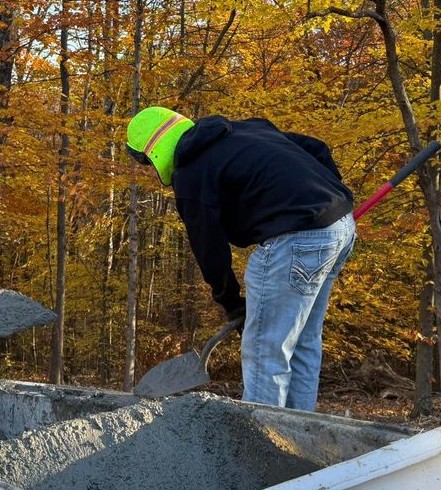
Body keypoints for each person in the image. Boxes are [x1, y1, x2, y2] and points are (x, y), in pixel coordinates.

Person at [126, 106, 356, 411]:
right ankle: (299, 439)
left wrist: (231, 303)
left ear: (154, 153)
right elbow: (318, 149)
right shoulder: (249, 129)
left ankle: (259, 447)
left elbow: (210, 249)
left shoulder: (192, 175)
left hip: (296, 239)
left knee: (265, 350)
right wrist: (328, 203)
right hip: (339, 227)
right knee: (302, 342)